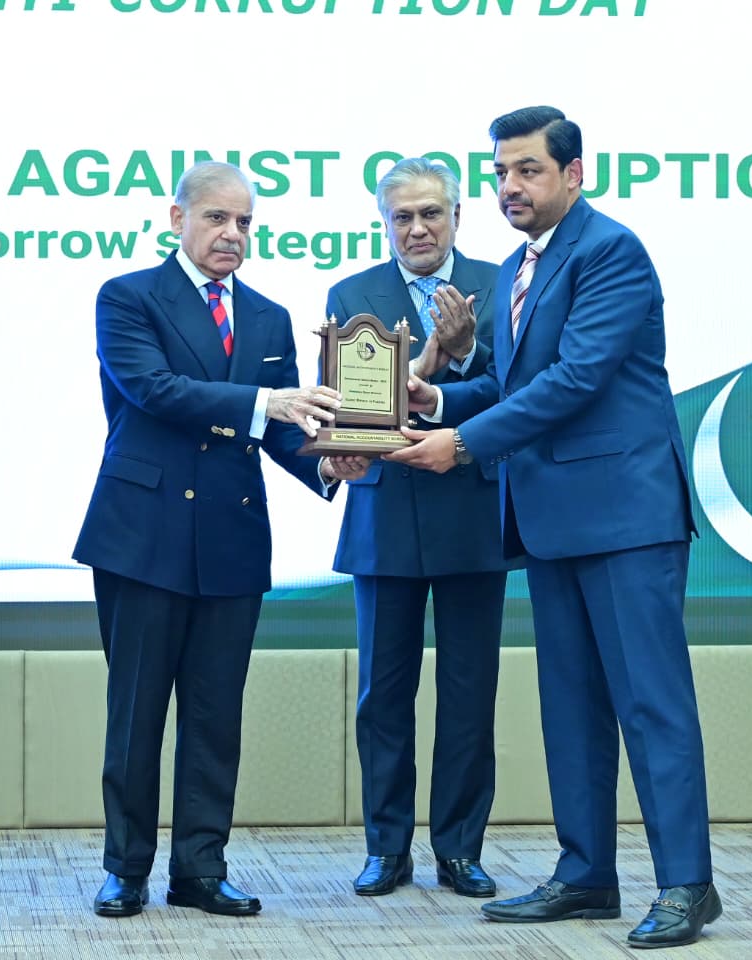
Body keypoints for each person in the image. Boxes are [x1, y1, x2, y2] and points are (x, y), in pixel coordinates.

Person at [386, 107, 720, 949]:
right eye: (500, 173)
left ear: (574, 173)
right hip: (550, 522)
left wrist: (464, 443)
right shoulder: (517, 267)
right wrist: (437, 397)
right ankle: (586, 874)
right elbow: (510, 383)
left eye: (527, 170)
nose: (510, 187)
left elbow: (575, 379)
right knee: (571, 707)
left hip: (625, 519)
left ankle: (687, 884)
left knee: (650, 706)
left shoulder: (610, 251)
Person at [74, 161, 367, 919]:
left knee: (214, 717)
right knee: (136, 714)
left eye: (244, 222)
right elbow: (155, 390)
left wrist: (326, 463)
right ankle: (126, 869)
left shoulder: (268, 316)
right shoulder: (128, 297)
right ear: (177, 219)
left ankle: (201, 869)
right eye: (216, 218)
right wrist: (268, 401)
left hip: (232, 539)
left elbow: (283, 430)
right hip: (143, 536)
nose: (232, 234)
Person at [326, 158, 514, 899]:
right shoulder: (352, 295)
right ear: (384, 224)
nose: (417, 229)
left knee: (469, 692)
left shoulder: (504, 283)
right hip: (384, 515)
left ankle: (460, 850)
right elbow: (349, 406)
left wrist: (456, 361)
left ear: (458, 216)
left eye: (431, 213)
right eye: (401, 217)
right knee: (383, 694)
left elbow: (513, 390)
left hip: (471, 510)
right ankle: (386, 848)